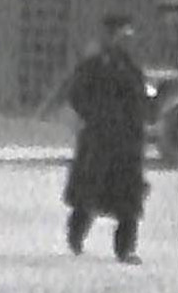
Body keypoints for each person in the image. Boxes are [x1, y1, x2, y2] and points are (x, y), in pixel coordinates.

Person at [63, 14, 150, 264]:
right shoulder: (94, 66)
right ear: (110, 36)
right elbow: (77, 94)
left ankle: (125, 249)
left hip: (127, 144)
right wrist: (97, 115)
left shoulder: (131, 66)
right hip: (99, 140)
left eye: (127, 35)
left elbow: (138, 100)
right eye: (121, 35)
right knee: (89, 192)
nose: (125, 40)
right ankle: (75, 237)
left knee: (128, 200)